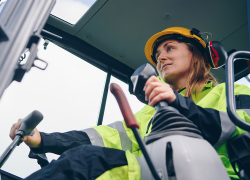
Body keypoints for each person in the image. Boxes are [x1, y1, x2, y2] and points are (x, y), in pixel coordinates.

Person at [9, 27, 250, 179]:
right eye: (157, 57)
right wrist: (46, 140)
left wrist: (177, 104)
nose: (161, 58)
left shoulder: (231, 91)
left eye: (170, 48)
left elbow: (236, 129)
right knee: (82, 161)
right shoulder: (151, 112)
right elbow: (105, 137)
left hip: (215, 173)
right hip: (158, 171)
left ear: (197, 54)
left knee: (87, 162)